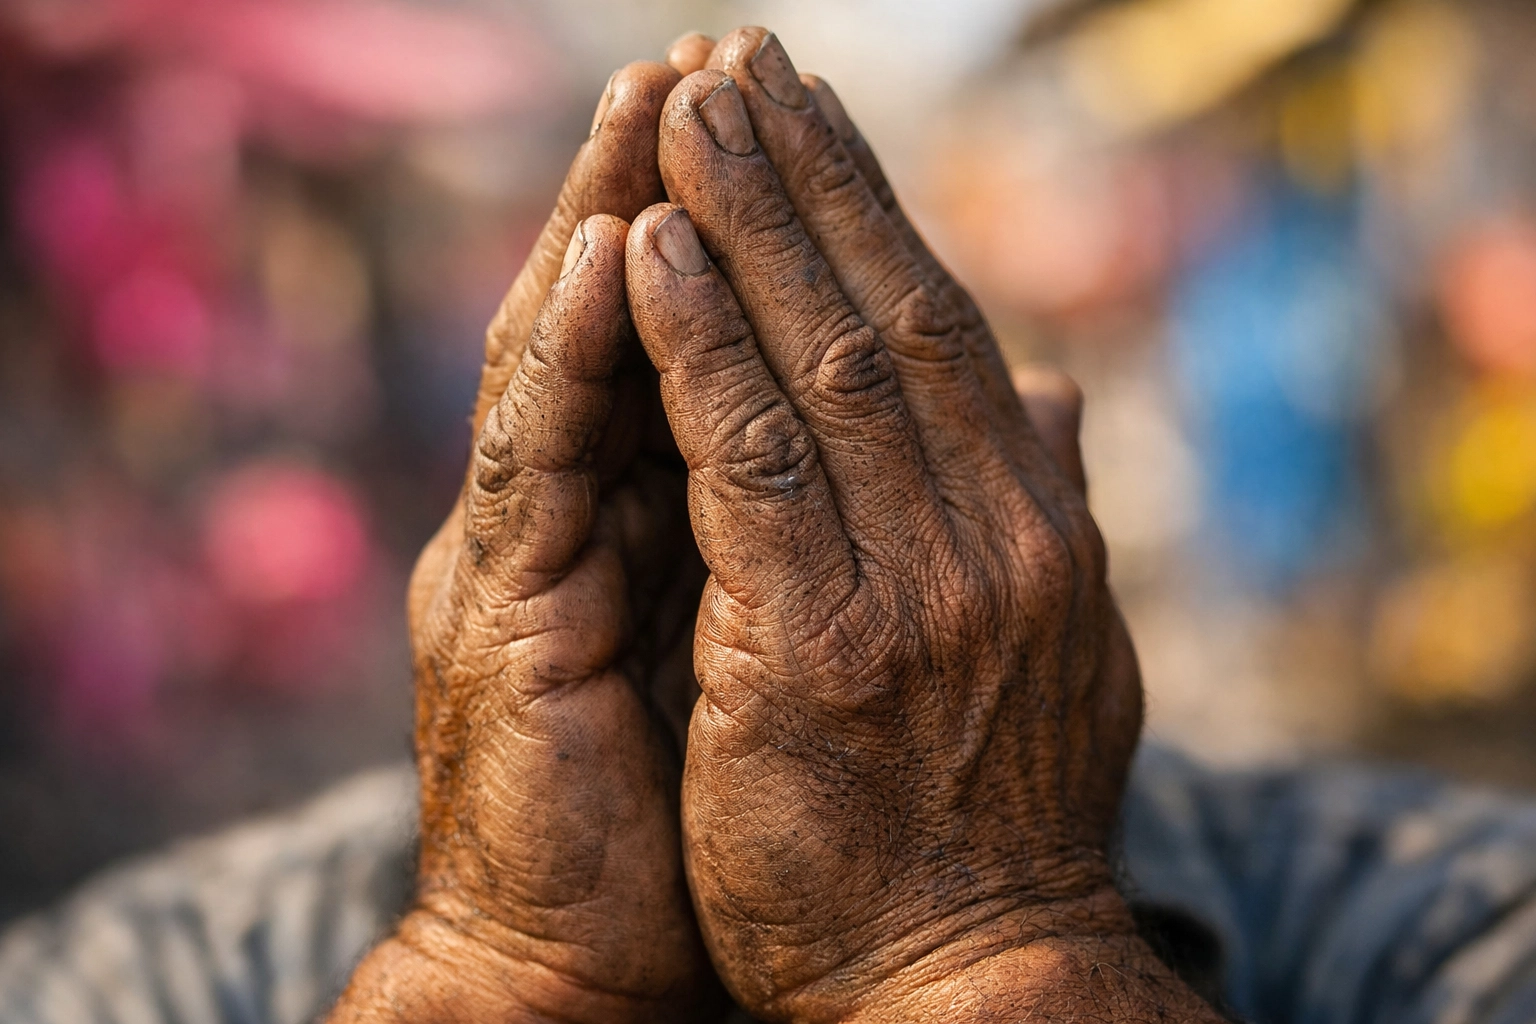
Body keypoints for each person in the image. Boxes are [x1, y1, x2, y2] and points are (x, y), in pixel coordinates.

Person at [6, 29, 1536, 1024]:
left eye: (832, 516)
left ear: (1040, 524)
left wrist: (982, 941)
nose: (736, 635)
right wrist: (494, 967)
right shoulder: (137, 978)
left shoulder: (1455, 926)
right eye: (634, 508)